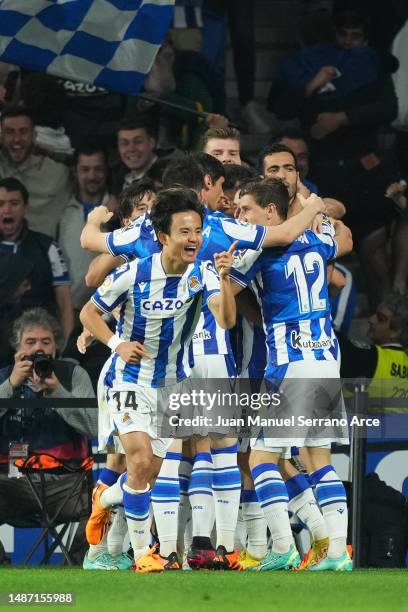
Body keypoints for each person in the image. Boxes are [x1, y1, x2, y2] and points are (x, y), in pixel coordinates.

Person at [80, 187, 237, 572]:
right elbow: (88, 313)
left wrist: (226, 277)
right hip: (129, 380)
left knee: (143, 477)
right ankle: (142, 556)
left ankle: (106, 500)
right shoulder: (134, 273)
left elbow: (227, 319)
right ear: (164, 237)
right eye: (185, 232)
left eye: (198, 231)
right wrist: (117, 343)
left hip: (171, 387)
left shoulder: (203, 275)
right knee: (139, 458)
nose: (194, 239)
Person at [229, 178, 353, 571]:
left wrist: (220, 274)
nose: (240, 217)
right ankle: (336, 554)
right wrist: (313, 206)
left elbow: (223, 296)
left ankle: (281, 546)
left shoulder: (259, 252)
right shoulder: (317, 241)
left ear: (270, 211)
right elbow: (345, 241)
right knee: (319, 459)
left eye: (246, 209)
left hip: (289, 363)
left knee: (261, 457)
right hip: (326, 359)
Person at [0, 308, 96, 565]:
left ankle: (73, 568)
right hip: (10, 484)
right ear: (17, 348)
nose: (38, 349)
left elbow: (97, 427)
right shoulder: (3, 377)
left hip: (66, 484)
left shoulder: (74, 376)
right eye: (30, 342)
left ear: (55, 347)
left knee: (105, 499)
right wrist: (10, 385)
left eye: (45, 342)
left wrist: (57, 393)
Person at [0, 177, 74, 343]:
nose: (7, 210)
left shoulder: (48, 247)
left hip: (39, 346)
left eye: (14, 203)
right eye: (1, 204)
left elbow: (64, 304)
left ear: (25, 207)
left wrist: (66, 349)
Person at [58, 145, 115, 313]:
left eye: (98, 169)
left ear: (106, 171)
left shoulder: (121, 210)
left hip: (110, 311)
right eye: (85, 169)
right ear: (75, 172)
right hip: (70, 309)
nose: (92, 176)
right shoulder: (61, 211)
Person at [0, 107, 72, 239]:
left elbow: (87, 164)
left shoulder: (59, 173)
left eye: (23, 132)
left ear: (34, 135)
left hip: (43, 254)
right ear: (1, 137)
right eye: (9, 132)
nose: (17, 139)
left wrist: (51, 152)